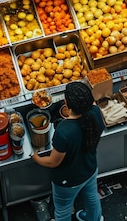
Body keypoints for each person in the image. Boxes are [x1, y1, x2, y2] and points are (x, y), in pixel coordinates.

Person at [32, 81, 105, 221]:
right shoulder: (95, 113)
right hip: (90, 169)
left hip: (68, 180)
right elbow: (92, 105)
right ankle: (94, 219)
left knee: (63, 208)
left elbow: (53, 162)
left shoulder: (64, 131)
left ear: (66, 103)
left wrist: (36, 157)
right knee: (92, 197)